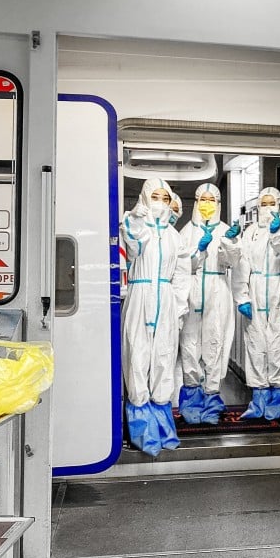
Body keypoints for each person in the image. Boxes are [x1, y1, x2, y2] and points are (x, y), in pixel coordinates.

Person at [120, 177, 190, 456]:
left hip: (166, 300)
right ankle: (141, 429)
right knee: (137, 357)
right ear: (144, 198)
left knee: (163, 359)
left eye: (164, 197)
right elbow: (133, 246)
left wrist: (180, 307)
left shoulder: (175, 237)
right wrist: (137, 219)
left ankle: (163, 427)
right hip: (139, 296)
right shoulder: (134, 224)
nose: (159, 202)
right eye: (154, 197)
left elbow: (183, 275)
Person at [177, 183, 250, 425]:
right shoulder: (186, 232)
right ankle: (191, 402)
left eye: (212, 200)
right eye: (203, 200)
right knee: (189, 346)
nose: (207, 205)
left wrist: (230, 243)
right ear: (197, 202)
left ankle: (211, 402)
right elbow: (179, 266)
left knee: (215, 344)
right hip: (192, 290)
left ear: (218, 204)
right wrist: (197, 252)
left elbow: (234, 263)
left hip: (218, 291)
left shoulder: (226, 230)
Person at [238, 187, 280, 420]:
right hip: (256, 291)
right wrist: (242, 296)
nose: (268, 208)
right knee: (256, 344)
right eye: (264, 203)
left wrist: (278, 233)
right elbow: (242, 266)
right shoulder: (250, 232)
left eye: (272, 203)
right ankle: (259, 400)